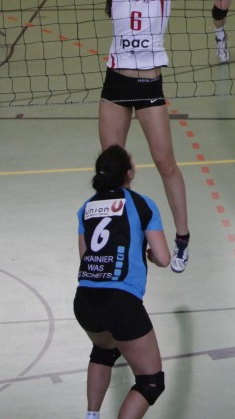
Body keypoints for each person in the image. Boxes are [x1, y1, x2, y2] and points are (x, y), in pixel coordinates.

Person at [99, 0, 235, 273]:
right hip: (115, 86)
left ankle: (181, 238)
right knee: (112, 169)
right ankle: (118, 236)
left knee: (166, 164)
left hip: (149, 87)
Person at [73, 145, 172, 419]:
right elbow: (164, 258)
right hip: (120, 302)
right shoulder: (142, 204)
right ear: (129, 173)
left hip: (85, 300)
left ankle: (92, 415)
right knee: (150, 382)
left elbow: (85, 256)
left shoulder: (86, 208)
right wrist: (151, 257)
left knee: (103, 350)